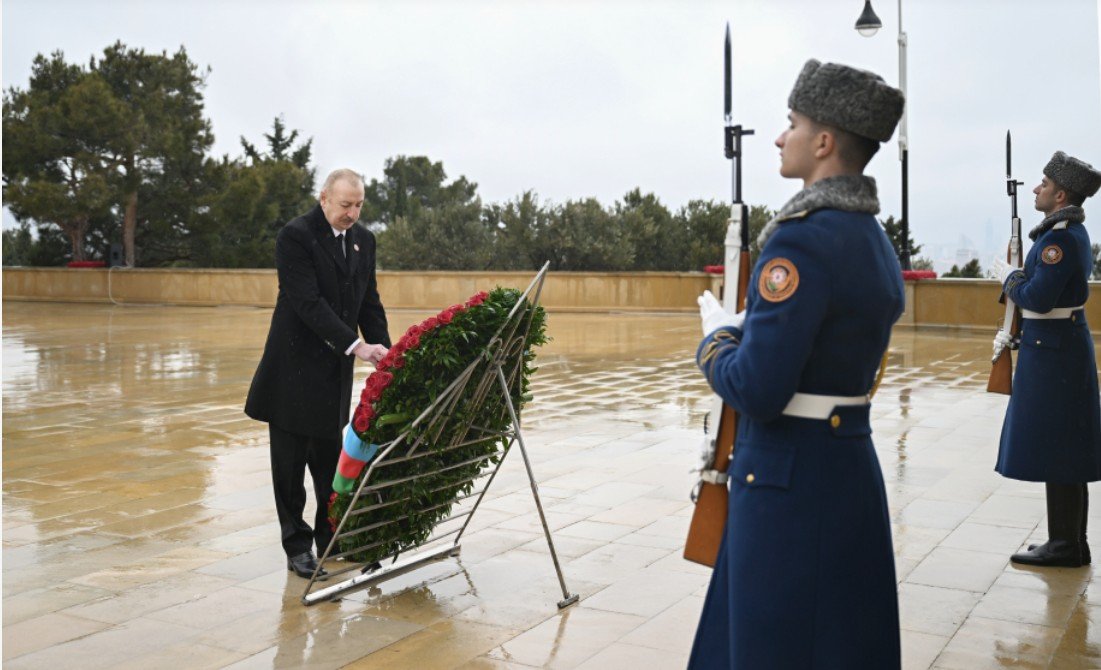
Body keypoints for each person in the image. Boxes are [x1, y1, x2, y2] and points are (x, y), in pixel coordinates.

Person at [690, 60, 905, 669]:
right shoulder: (870, 237)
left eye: (792, 124)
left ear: (825, 141)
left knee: (773, 648)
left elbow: (757, 389)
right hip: (842, 469)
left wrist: (718, 343)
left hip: (787, 480)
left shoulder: (802, 238)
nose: (781, 137)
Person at [245, 168, 391, 579]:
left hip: (333, 374)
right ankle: (297, 547)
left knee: (330, 464)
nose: (352, 213)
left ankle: (333, 540)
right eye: (345, 204)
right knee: (290, 470)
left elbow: (369, 302)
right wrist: (356, 346)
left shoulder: (364, 240)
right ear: (324, 197)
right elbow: (308, 303)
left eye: (359, 205)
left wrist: (389, 355)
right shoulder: (296, 236)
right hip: (292, 371)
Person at [992, 151, 1101, 568]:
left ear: (1061, 195)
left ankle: (1065, 545)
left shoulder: (1058, 239)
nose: (1036, 188)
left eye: (1043, 184)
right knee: (1066, 445)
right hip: (1055, 345)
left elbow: (1037, 296)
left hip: (1054, 351)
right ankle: (1071, 541)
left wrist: (1010, 276)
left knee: (1061, 446)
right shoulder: (1064, 233)